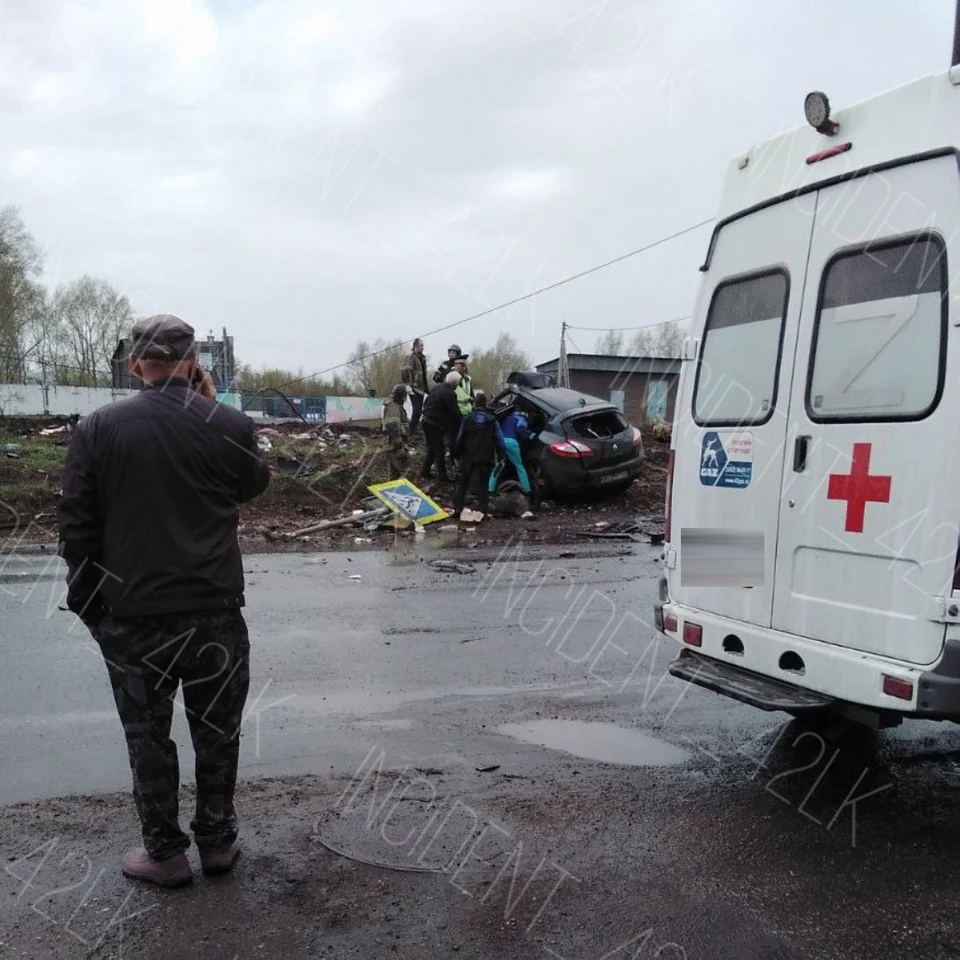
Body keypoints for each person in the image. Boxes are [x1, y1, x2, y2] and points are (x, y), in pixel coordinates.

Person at [57, 314, 270, 889]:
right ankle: (218, 843)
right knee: (217, 731)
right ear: (195, 361)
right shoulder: (229, 423)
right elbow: (252, 486)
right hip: (216, 613)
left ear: (134, 364)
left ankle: (166, 854)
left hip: (133, 617)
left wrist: (90, 604)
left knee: (147, 737)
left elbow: (75, 529)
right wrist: (207, 407)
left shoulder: (99, 427)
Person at [452, 391, 505, 520]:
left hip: (468, 456)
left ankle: (458, 509)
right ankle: (483, 511)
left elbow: (460, 438)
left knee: (463, 483)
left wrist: (456, 454)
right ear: (486, 404)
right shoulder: (492, 421)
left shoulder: (467, 419)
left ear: (475, 403)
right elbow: (500, 440)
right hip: (485, 457)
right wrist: (501, 456)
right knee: (483, 485)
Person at [489, 406, 538, 509]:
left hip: (500, 442)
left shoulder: (506, 417)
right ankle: (527, 491)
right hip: (512, 443)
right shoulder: (521, 419)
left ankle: (490, 491)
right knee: (519, 467)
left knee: (497, 467)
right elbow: (521, 430)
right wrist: (531, 435)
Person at [420, 370, 462, 483]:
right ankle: (443, 477)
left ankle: (425, 471)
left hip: (425, 420)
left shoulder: (436, 388)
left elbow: (427, 402)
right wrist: (462, 423)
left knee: (432, 448)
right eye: (458, 383)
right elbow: (455, 412)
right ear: (455, 383)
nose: (458, 385)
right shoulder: (449, 393)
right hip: (434, 424)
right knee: (439, 450)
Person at [400, 338, 428, 435]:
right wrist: (407, 384)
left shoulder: (423, 358)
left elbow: (424, 375)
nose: (422, 348)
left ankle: (414, 429)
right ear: (415, 347)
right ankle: (411, 431)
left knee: (419, 411)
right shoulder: (411, 357)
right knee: (416, 410)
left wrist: (427, 388)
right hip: (414, 388)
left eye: (423, 346)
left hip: (421, 388)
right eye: (420, 346)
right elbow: (405, 371)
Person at [382, 383, 410, 477]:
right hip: (395, 446)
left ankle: (394, 490)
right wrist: (399, 446)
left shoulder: (395, 406)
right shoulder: (393, 407)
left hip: (394, 445)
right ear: (402, 396)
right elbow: (392, 426)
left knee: (395, 475)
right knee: (406, 473)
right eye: (405, 396)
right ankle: (403, 491)